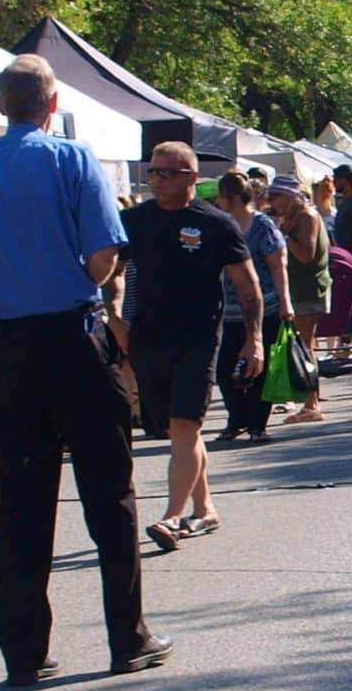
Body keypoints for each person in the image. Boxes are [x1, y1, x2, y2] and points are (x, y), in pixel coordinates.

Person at [0, 54, 166, 684]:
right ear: (53, 102)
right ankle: (128, 635)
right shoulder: (73, 159)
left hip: (7, 346)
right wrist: (76, 278)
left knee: (20, 503)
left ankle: (24, 650)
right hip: (71, 334)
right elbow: (101, 256)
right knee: (108, 492)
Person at [121, 141, 262, 550]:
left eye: (168, 173)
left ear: (192, 178)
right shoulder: (133, 220)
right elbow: (110, 272)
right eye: (154, 172)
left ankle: (171, 516)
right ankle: (205, 508)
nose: (159, 180)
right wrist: (115, 321)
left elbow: (248, 287)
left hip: (198, 338)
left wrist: (253, 340)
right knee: (176, 430)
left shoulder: (216, 223)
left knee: (186, 424)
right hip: (147, 338)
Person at [216, 177, 289, 445]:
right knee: (224, 370)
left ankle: (257, 424)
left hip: (263, 307)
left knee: (259, 368)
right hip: (229, 310)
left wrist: (285, 301)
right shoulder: (221, 225)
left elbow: (277, 266)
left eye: (220, 197)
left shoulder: (262, 225)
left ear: (233, 197)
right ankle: (237, 418)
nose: (217, 202)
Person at [275, 176, 332, 423]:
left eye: (277, 197)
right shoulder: (294, 218)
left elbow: (306, 254)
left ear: (290, 198)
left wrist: (283, 237)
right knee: (302, 346)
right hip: (298, 290)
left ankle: (312, 404)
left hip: (308, 290)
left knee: (304, 348)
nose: (272, 202)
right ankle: (308, 401)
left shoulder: (307, 217)